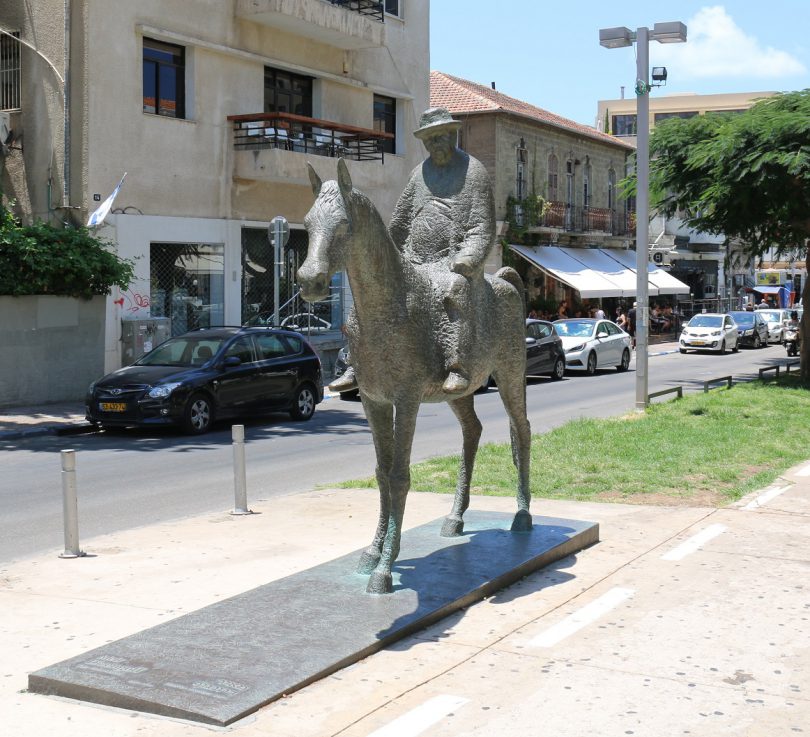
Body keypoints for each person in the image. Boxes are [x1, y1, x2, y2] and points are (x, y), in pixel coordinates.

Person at [330, 107, 496, 395]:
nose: (434, 145)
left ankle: (456, 364)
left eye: (439, 138)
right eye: (429, 140)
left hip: (450, 260)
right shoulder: (418, 174)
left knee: (454, 288)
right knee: (369, 294)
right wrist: (386, 259)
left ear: (452, 134)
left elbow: (482, 226)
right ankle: (356, 363)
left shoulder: (474, 173)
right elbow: (400, 223)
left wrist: (469, 258)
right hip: (413, 260)